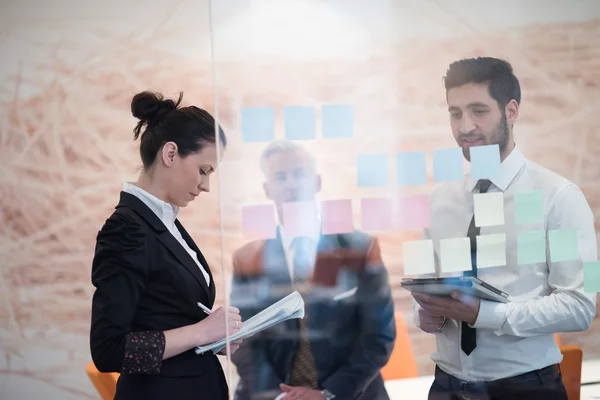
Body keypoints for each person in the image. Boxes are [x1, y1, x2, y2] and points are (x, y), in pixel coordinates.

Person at [411, 57, 597, 400]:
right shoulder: (441, 200)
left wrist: (485, 314)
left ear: (511, 111)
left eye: (478, 110)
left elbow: (580, 306)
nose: (465, 126)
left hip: (524, 388)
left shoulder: (560, 197)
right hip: (446, 386)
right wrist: (425, 314)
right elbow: (426, 286)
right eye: (455, 113)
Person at [89, 91, 243, 400]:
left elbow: (165, 317)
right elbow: (109, 350)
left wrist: (212, 338)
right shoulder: (127, 228)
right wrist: (203, 331)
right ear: (170, 154)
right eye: (204, 170)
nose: (206, 185)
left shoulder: (164, 223)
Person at [230, 140, 396, 400]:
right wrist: (280, 395)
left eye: (300, 174)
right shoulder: (248, 259)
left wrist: (328, 394)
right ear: (267, 189)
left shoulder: (360, 248)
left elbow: (378, 337)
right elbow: (245, 342)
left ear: (317, 182)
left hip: (350, 393)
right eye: (281, 177)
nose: (291, 184)